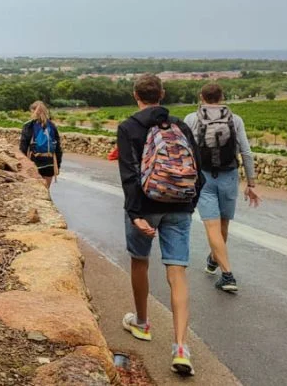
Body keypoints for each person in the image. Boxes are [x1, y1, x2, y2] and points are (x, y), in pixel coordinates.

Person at [117, 74, 204, 377]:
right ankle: (180, 347)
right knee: (177, 272)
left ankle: (142, 323)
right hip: (180, 206)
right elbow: (198, 169)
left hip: (145, 206)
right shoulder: (179, 125)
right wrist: (189, 203)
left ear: (135, 95)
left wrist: (134, 214)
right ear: (162, 94)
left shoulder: (128, 127)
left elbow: (129, 174)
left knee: (139, 261)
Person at [184, 83, 260, 293]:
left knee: (212, 227)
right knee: (223, 225)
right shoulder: (235, 120)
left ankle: (226, 274)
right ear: (222, 96)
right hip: (229, 177)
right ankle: (215, 261)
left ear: (201, 97)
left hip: (204, 178)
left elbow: (184, 150)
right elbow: (246, 152)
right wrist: (251, 183)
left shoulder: (191, 119)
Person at [19, 101, 63, 190]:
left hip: (34, 163)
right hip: (49, 163)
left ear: (33, 112)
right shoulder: (52, 126)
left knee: (34, 190)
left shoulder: (28, 125)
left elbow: (23, 148)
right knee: (46, 190)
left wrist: (22, 166)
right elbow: (58, 149)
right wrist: (57, 166)